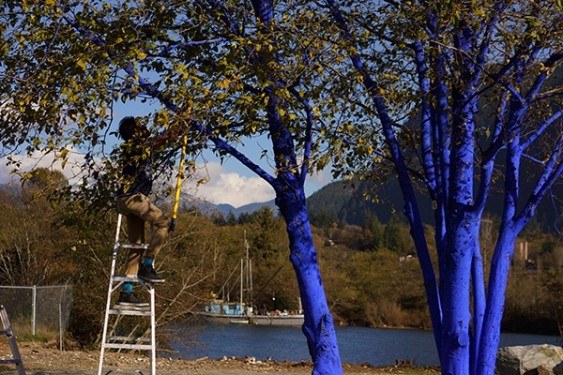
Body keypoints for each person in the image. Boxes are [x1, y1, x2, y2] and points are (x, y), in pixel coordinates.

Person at [115, 116, 180, 305]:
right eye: (140, 126)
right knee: (163, 222)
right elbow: (166, 137)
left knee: (137, 244)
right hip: (133, 197)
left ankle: (126, 291)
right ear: (134, 132)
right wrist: (183, 120)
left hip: (126, 199)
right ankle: (147, 265)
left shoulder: (135, 147)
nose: (144, 127)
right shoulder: (138, 145)